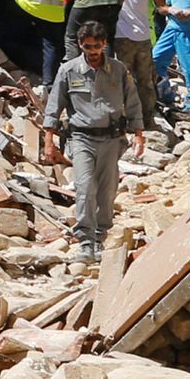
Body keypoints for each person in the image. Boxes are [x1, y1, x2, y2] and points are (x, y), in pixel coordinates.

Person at [40, 20, 145, 263]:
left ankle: (101, 235)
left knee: (107, 191)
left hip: (111, 139)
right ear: (80, 45)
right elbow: (54, 107)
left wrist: (138, 134)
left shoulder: (118, 71)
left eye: (97, 46)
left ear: (105, 44)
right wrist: (48, 141)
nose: (93, 52)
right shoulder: (68, 71)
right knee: (85, 188)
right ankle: (85, 241)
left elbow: (133, 103)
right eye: (88, 47)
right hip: (81, 138)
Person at [112, 0, 165, 128]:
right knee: (146, 81)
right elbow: (160, 2)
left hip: (121, 38)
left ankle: (126, 120)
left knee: (123, 81)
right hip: (143, 37)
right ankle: (147, 119)